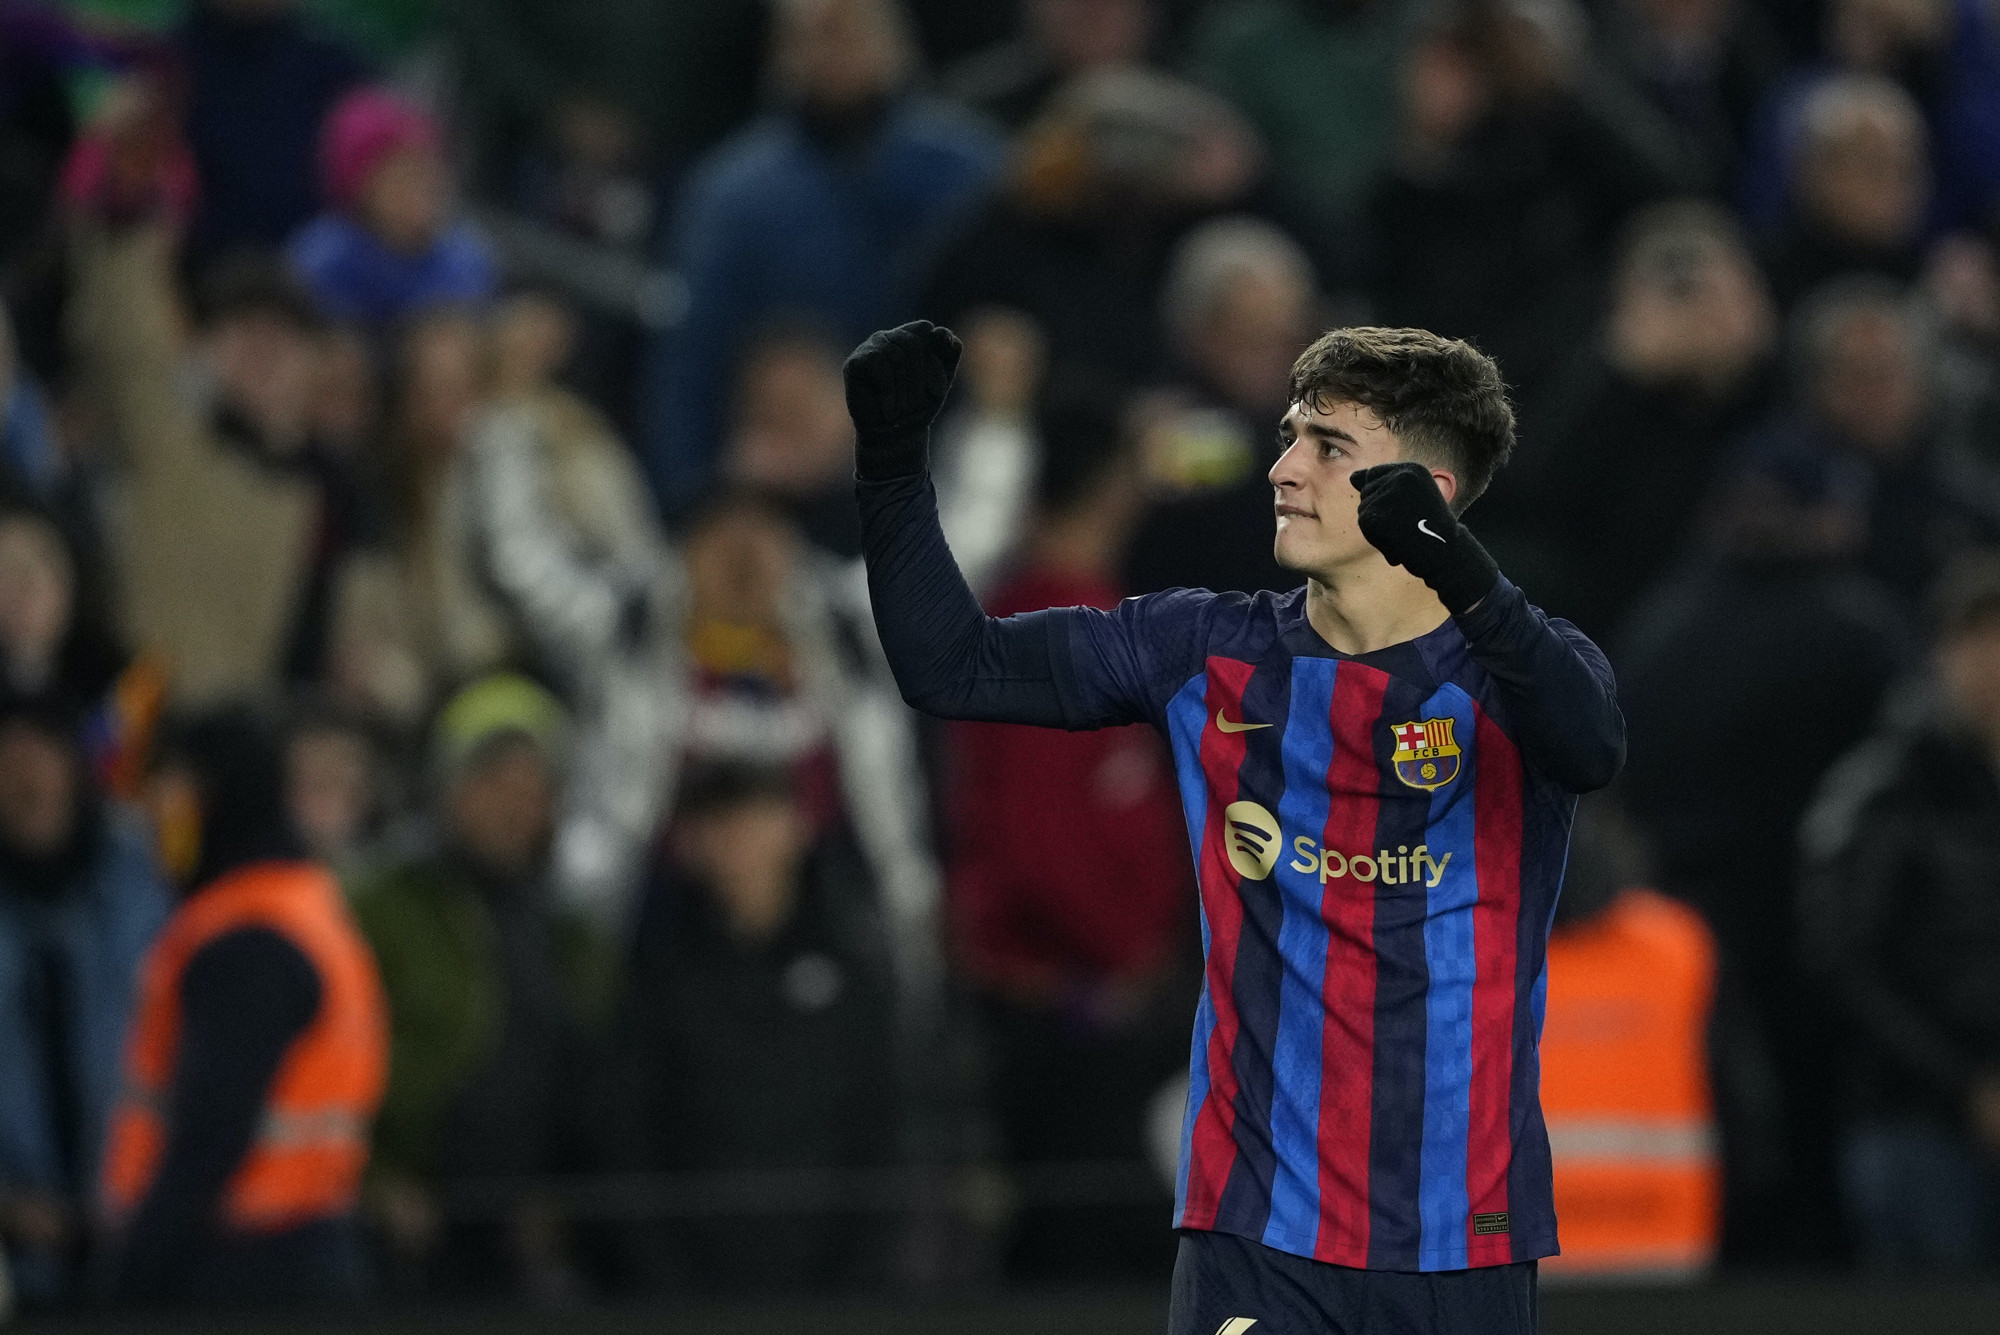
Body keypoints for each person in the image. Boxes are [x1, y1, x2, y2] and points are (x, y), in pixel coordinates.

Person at [844, 319, 1623, 1333]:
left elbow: (1590, 746)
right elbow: (950, 666)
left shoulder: (1519, 675)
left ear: (1424, 498)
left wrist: (1464, 579)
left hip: (1460, 1245)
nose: (1281, 469)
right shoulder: (1202, 651)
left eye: (1326, 448)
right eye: (1290, 437)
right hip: (1257, 1238)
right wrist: (894, 467)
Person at [1615, 441, 1916, 1266]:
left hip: (1687, 929)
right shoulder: (1860, 628)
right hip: (1818, 936)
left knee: (1726, 1122)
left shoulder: (1661, 625)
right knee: (1814, 1134)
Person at [947, 390, 1195, 1280]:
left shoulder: (1088, 619)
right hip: (1060, 1017)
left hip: (1110, 1009)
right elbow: (1034, 846)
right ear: (1113, 486)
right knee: (1077, 1266)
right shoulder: (1042, 632)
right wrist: (1124, 958)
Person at [637, 0, 1001, 515]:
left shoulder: (968, 175)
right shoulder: (733, 193)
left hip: (945, 484)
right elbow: (690, 364)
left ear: (896, 42)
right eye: (812, 36)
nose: (833, 53)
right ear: (780, 53)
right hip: (775, 498)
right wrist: (692, 505)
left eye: (850, 32)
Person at [99, 705, 388, 1305]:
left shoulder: (249, 934)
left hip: (236, 1269)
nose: (157, 812)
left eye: (173, 788)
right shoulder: (299, 901)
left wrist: (129, 1277)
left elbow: (211, 1135)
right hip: (304, 1254)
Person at [348, 674, 612, 1300]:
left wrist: (565, 1202)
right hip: (403, 1241)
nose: (515, 803)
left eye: (535, 784)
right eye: (493, 779)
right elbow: (326, 1065)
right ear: (446, 789)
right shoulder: (377, 908)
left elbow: (594, 1081)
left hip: (526, 1247)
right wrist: (374, 1183)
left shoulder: (575, 934)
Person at [612, 761, 898, 1291]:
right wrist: (665, 1283)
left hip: (835, 1288)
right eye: (720, 826)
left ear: (796, 828)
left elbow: (883, 1121)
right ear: (691, 844)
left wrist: (860, 1282)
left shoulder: (851, 965)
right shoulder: (656, 975)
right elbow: (628, 1133)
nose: (739, 844)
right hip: (691, 1290)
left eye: (756, 820)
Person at [1799, 552, 2000, 1270]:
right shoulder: (1882, 793)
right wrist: (1965, 1086)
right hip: (1912, 1126)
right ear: (1939, 656)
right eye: (1978, 643)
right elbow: (1843, 966)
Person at [0, 692, 168, 1306]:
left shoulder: (133, 879)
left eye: (42, 756)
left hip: (131, 1235)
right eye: (8, 762)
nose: (26, 779)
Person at [1537, 798, 1719, 1280]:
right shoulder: (1678, 945)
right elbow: (1740, 1098)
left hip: (1518, 1242)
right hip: (1665, 1241)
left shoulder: (1475, 951)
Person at [287, 87, 497, 331]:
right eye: (401, 176)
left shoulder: (465, 260)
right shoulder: (323, 257)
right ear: (359, 186)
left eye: (430, 173)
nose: (422, 189)